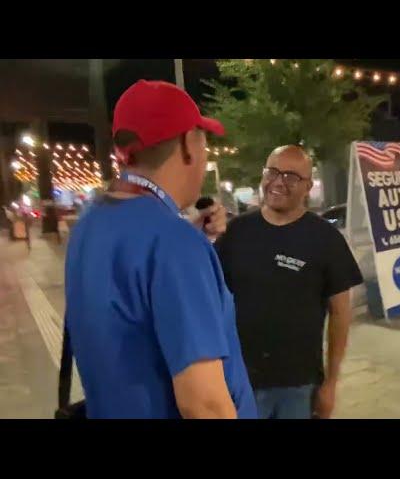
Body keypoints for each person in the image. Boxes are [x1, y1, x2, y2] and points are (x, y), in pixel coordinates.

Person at [64, 80, 256, 419]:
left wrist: (188, 243)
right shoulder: (174, 244)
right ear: (187, 145)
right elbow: (205, 405)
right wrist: (187, 249)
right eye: (204, 141)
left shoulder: (88, 224)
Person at [215, 145, 363, 419]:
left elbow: (341, 313)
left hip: (299, 385)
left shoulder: (326, 239)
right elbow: (211, 298)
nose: (278, 182)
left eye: (292, 177)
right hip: (240, 382)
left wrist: (330, 384)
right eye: (272, 172)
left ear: (307, 186)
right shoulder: (236, 233)